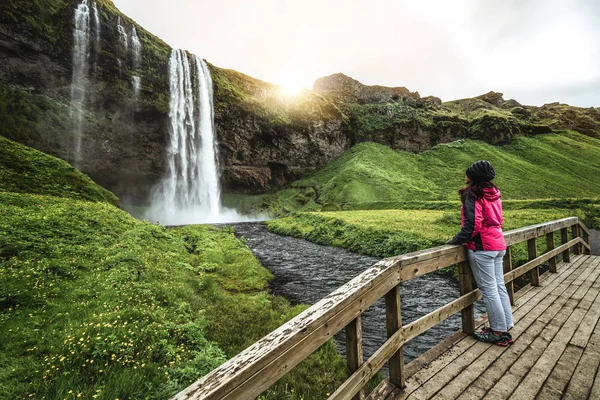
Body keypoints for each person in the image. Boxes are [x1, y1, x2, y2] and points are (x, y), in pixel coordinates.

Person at [447, 160, 514, 346]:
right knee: (499, 286)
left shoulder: (472, 194)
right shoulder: (494, 193)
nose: (465, 176)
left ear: (473, 177)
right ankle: (506, 325)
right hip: (498, 243)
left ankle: (498, 332)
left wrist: (455, 241)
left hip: (482, 246)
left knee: (489, 290)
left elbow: (472, 224)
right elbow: (498, 219)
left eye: (468, 174)